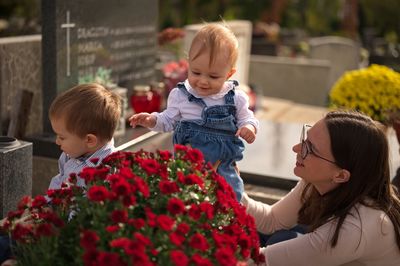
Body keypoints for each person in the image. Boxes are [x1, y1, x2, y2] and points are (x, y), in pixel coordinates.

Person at [242, 110, 400, 266]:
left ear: (341, 175)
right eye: (305, 137)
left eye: (310, 149)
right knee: (265, 234)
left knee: (279, 239)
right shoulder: (320, 181)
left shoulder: (354, 228)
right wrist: (230, 188)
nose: (297, 148)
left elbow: (261, 262)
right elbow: (272, 220)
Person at [129, 23, 259, 201]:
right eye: (196, 72)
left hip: (222, 168)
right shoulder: (181, 95)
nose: (203, 81)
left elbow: (247, 117)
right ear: (188, 64)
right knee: (186, 201)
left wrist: (249, 127)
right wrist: (151, 120)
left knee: (228, 200)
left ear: (229, 74)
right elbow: (168, 120)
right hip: (188, 166)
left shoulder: (236, 98)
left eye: (213, 76)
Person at [0, 83, 121, 265]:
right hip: (53, 222)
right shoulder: (72, 153)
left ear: (89, 140)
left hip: (72, 240)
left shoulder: (107, 171)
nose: (57, 141)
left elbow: (86, 222)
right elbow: (59, 182)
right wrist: (43, 208)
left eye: (62, 137)